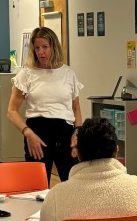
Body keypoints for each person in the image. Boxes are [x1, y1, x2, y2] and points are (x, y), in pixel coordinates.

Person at [7, 26, 83, 183]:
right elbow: (12, 111)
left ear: (53, 47)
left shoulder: (68, 73)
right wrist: (28, 133)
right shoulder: (26, 74)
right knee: (37, 187)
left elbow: (76, 108)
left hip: (65, 135)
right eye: (37, 48)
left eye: (45, 47)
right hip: (37, 134)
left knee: (72, 185)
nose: (41, 52)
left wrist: (78, 132)